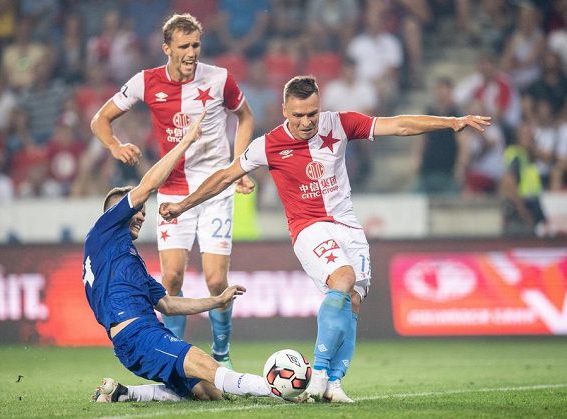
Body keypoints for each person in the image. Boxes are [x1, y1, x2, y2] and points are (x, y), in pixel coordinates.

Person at [159, 75, 490, 403]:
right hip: (308, 228)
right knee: (343, 279)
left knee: (355, 301)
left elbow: (398, 125)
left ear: (321, 107)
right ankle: (317, 375)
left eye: (312, 114)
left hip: (348, 227)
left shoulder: (340, 124)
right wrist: (182, 206)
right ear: (285, 111)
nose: (306, 122)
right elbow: (223, 177)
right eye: (299, 115)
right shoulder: (268, 144)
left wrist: (449, 122)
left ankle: (333, 383)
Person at [90, 13, 255, 369]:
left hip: (215, 188)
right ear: (167, 48)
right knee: (172, 279)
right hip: (173, 190)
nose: (192, 52)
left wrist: (240, 165)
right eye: (184, 46)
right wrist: (115, 145)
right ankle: (179, 353)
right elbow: (99, 119)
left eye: (196, 44)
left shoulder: (220, 79)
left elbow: (246, 117)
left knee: (215, 279)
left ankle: (222, 355)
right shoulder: (145, 82)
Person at [84, 112, 270, 403]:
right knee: (211, 368)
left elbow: (168, 304)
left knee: (210, 393)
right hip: (138, 335)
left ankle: (124, 394)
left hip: (136, 339)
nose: (141, 215)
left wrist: (216, 301)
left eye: (142, 212)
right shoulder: (103, 231)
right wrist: (185, 142)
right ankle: (284, 388)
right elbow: (146, 186)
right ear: (113, 214)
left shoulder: (124, 259)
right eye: (136, 209)